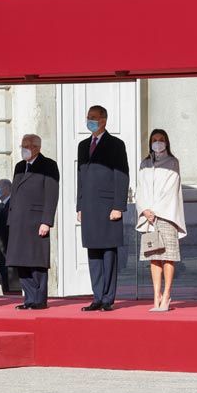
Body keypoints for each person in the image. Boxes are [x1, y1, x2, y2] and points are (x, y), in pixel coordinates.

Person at [77, 105, 130, 312]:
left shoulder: (116, 144)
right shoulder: (83, 146)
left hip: (108, 207)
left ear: (104, 120)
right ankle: (97, 296)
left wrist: (119, 206)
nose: (90, 120)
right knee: (93, 252)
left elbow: (122, 175)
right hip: (89, 207)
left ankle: (108, 298)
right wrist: (79, 205)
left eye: (94, 117)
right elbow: (80, 176)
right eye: (88, 117)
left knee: (108, 251)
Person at [6, 134, 60, 310]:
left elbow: (51, 195)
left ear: (37, 147)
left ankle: (39, 299)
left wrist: (47, 221)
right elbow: (15, 193)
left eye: (27, 145)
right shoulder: (20, 166)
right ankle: (29, 298)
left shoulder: (48, 165)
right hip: (18, 221)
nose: (24, 148)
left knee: (36, 261)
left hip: (36, 221)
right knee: (21, 261)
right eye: (22, 145)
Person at [136, 129, 187, 312]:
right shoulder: (145, 164)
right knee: (154, 257)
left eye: (161, 140)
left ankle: (167, 295)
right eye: (155, 140)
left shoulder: (173, 163)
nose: (158, 143)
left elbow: (171, 189)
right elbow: (140, 189)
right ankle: (156, 295)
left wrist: (156, 210)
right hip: (149, 217)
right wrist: (144, 209)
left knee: (167, 256)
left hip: (166, 216)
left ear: (166, 142)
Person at [0, 179, 21, 294]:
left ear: (7, 189)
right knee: (5, 284)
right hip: (0, 250)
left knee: (13, 284)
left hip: (11, 248)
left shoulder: (13, 204)